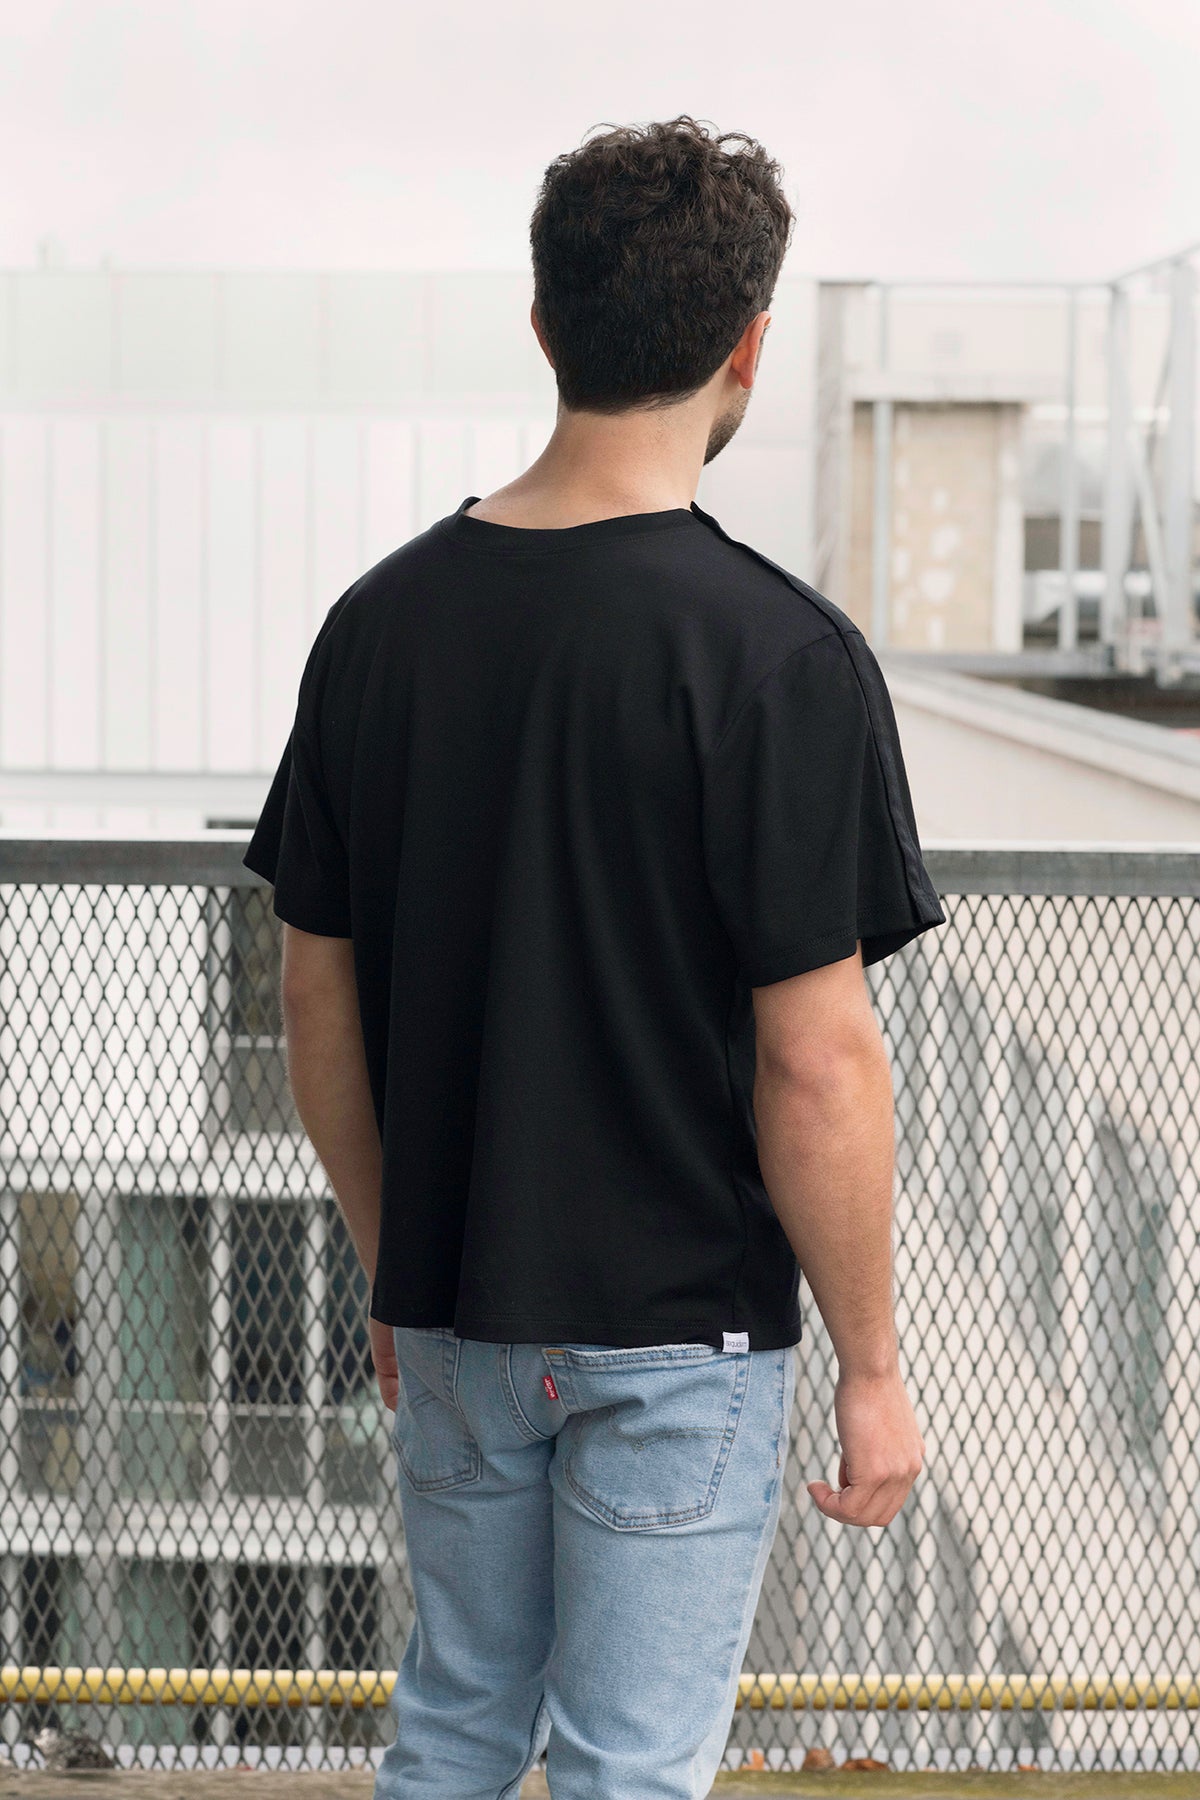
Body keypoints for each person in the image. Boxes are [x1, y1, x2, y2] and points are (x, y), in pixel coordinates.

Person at [243, 114, 946, 1800]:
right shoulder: (781, 658)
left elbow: (314, 991)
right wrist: (871, 1366)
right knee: (633, 1770)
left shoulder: (377, 626)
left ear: (544, 325)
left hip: (458, 1313)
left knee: (454, 1732)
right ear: (748, 349)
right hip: (681, 1336)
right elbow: (818, 1058)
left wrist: (399, 1258)